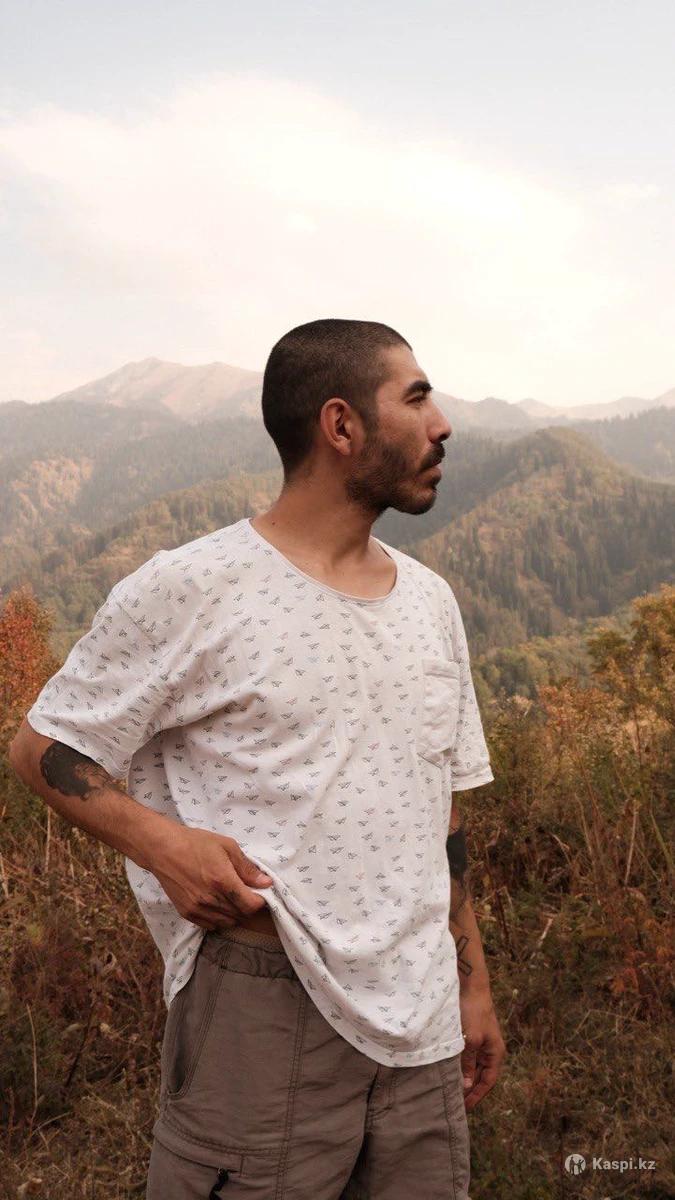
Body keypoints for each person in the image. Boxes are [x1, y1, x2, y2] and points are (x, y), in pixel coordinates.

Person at [10, 318, 506, 1199]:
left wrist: (472, 985)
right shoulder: (194, 586)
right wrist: (165, 847)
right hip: (263, 1000)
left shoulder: (431, 603)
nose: (442, 425)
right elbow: (42, 745)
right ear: (341, 424)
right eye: (417, 398)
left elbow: (442, 812)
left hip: (422, 1011)